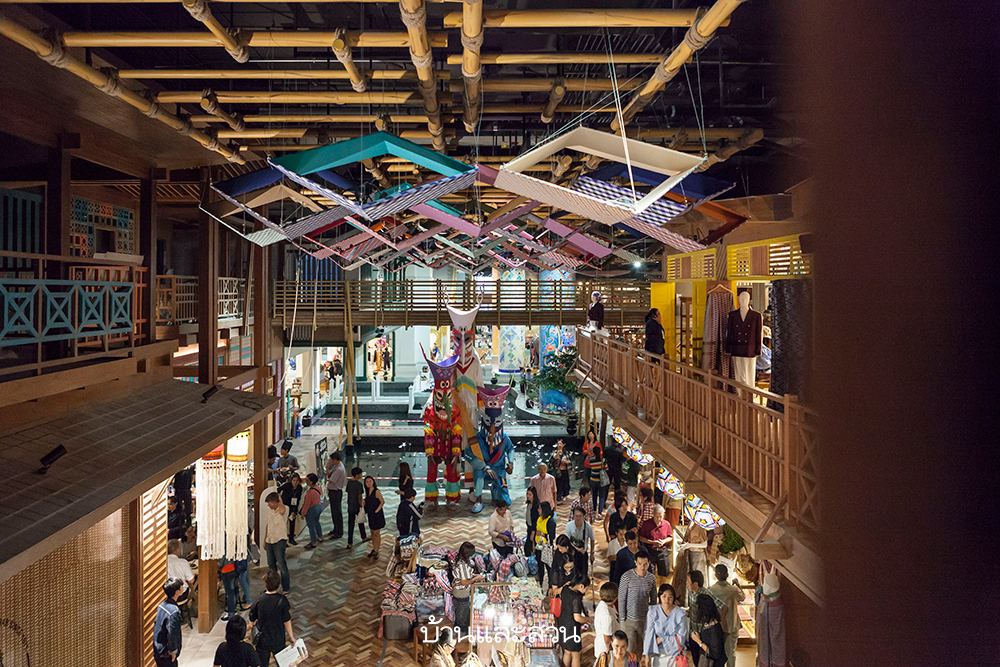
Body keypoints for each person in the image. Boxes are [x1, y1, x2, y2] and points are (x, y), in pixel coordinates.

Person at [249, 569, 295, 667]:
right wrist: (291, 636)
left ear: (265, 584)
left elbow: (252, 618)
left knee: (262, 664)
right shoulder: (282, 600)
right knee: (282, 663)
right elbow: (286, 620)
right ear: (278, 584)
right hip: (278, 638)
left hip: (262, 639)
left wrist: (252, 632)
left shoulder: (259, 599)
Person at [618, 549, 656, 656]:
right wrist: (622, 619)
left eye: (645, 564)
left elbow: (653, 600)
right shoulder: (626, 577)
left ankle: (637, 663)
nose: (642, 567)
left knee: (641, 649)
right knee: (629, 650)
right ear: (635, 562)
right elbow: (622, 599)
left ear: (649, 563)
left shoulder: (651, 578)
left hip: (644, 620)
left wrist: (652, 619)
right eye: (640, 564)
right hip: (629, 620)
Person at [708, 564, 746, 667]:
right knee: (731, 653)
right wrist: (738, 584)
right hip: (733, 625)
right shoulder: (733, 590)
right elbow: (742, 597)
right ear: (727, 575)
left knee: (717, 653)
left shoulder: (711, 590)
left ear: (715, 575)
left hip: (717, 626)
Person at [643, 584, 688, 667]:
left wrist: (662, 639)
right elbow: (648, 634)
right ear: (659, 597)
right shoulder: (653, 611)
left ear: (674, 598)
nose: (667, 600)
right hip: (657, 652)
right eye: (664, 596)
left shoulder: (680, 614)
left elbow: (681, 638)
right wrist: (647, 655)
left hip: (675, 654)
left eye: (670, 597)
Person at [687, 569, 722, 667]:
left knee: (706, 660)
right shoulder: (690, 592)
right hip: (694, 633)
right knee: (696, 660)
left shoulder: (706, 594)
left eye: (688, 581)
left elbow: (723, 606)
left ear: (695, 584)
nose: (686, 583)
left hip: (704, 634)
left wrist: (718, 624)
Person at [557, 570, 590, 667]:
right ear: (581, 586)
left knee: (567, 652)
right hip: (572, 629)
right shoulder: (576, 598)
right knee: (576, 655)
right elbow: (577, 618)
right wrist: (588, 620)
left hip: (563, 624)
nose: (586, 591)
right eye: (586, 588)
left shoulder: (565, 589)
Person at [262, 492, 290, 593]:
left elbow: (282, 511)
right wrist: (265, 539)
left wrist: (280, 499)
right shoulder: (270, 511)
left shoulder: (284, 509)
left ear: (276, 502)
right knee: (271, 565)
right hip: (270, 540)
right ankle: (272, 587)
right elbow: (268, 525)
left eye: (270, 503)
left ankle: (286, 588)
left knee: (281, 564)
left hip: (279, 539)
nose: (268, 505)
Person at [451, 541, 483, 632]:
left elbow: (465, 574)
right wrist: (476, 579)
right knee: (462, 614)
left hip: (457, 590)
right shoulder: (463, 565)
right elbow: (464, 582)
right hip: (461, 592)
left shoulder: (458, 558)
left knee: (460, 611)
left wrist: (475, 575)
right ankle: (461, 632)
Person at [640, 506, 674, 586]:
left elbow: (670, 537)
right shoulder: (646, 524)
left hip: (662, 551)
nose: (659, 519)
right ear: (653, 515)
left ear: (663, 515)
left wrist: (664, 541)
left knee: (664, 573)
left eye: (661, 517)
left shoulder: (666, 524)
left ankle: (662, 589)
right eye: (657, 516)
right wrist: (652, 542)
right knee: (649, 573)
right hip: (650, 551)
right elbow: (641, 538)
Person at [153, 577, 184, 667]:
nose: (183, 587)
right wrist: (173, 651)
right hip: (166, 654)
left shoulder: (161, 605)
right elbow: (172, 633)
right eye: (181, 587)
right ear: (177, 592)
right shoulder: (173, 612)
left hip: (158, 649)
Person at [690, 594, 728, 667]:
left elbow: (714, 654)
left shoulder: (714, 630)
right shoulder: (707, 622)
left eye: (697, 605)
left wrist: (698, 641)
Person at [219, 540, 252, 621]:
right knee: (235, 589)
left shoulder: (224, 544)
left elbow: (220, 562)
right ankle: (234, 608)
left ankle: (231, 613)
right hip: (236, 569)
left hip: (227, 570)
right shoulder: (235, 542)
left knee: (230, 593)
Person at [564, 505, 595, 576]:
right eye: (576, 516)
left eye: (580, 516)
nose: (578, 518)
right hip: (572, 553)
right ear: (573, 516)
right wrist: (577, 549)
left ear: (584, 516)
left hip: (583, 554)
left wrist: (592, 553)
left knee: (583, 574)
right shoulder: (569, 526)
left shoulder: (588, 527)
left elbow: (592, 539)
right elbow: (566, 541)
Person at [594, 582, 620, 660]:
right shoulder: (607, 616)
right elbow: (607, 639)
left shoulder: (605, 604)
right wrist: (611, 654)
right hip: (605, 651)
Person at [534, 501, 557, 587]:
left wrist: (543, 534)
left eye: (540, 508)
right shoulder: (539, 518)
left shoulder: (550, 521)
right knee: (540, 565)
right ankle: (540, 583)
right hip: (539, 544)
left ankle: (550, 586)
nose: (538, 510)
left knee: (548, 567)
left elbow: (552, 536)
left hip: (546, 546)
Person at [364, 475, 386, 560]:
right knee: (372, 532)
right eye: (367, 482)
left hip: (377, 515)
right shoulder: (367, 491)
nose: (369, 483)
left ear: (373, 482)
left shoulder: (376, 491)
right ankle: (374, 548)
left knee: (376, 533)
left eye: (370, 481)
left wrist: (376, 511)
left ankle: (377, 550)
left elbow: (382, 502)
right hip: (370, 515)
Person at [299, 473, 324, 550]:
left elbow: (306, 504)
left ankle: (313, 542)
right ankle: (320, 537)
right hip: (319, 507)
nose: (306, 482)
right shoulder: (318, 487)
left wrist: (303, 513)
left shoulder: (310, 492)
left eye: (307, 481)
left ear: (312, 482)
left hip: (312, 509)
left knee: (311, 526)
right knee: (317, 522)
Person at [326, 451, 346, 540]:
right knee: (334, 512)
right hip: (333, 492)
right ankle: (336, 529)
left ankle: (339, 532)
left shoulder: (339, 469)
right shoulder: (336, 466)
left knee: (337, 512)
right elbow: (329, 475)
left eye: (331, 460)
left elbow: (331, 480)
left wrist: (327, 478)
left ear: (335, 460)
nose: (330, 462)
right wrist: (327, 468)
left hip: (336, 492)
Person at [278, 473, 303, 546]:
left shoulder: (299, 488)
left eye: (297, 481)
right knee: (283, 523)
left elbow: (298, 499)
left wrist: (294, 511)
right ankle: (283, 540)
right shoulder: (287, 486)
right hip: (285, 506)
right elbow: (278, 490)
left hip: (293, 506)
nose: (295, 483)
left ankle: (291, 538)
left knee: (292, 522)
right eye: (294, 480)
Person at [346, 466, 368, 547]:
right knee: (360, 521)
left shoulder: (349, 483)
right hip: (357, 505)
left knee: (351, 524)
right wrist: (361, 504)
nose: (361, 475)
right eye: (360, 474)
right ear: (357, 475)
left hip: (350, 505)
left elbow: (348, 492)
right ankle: (364, 537)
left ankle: (350, 542)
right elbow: (359, 496)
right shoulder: (359, 484)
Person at [586, 445, 610, 519]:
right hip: (601, 480)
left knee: (594, 495)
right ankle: (599, 513)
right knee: (602, 496)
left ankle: (594, 511)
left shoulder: (590, 459)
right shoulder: (603, 460)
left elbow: (589, 468)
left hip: (593, 479)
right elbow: (607, 468)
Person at [524, 487, 540, 557]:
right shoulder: (529, 504)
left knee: (531, 547)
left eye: (530, 494)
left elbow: (536, 520)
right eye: (527, 494)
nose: (528, 496)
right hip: (530, 528)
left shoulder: (536, 506)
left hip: (534, 529)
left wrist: (533, 532)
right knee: (527, 547)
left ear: (534, 495)